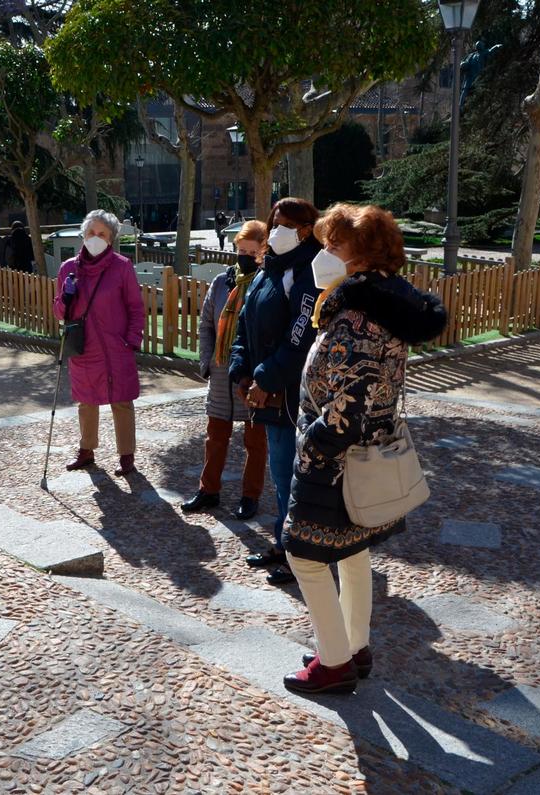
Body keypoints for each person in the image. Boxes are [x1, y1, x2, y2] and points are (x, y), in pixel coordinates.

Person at [281, 204, 446, 695]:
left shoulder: (356, 315)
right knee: (353, 550)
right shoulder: (385, 304)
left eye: (335, 245)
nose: (324, 253)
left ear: (362, 256)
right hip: (366, 451)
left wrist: (312, 451)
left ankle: (334, 664)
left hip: (335, 459)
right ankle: (354, 646)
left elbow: (346, 403)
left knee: (304, 556)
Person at [228, 197, 322, 587]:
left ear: (306, 230)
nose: (280, 230)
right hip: (263, 389)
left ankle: (300, 554)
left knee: (290, 477)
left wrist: (265, 379)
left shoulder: (308, 271)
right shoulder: (269, 269)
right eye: (276, 222)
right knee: (279, 472)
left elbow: (300, 335)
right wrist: (241, 370)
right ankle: (285, 543)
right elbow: (245, 323)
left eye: (290, 225)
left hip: (288, 393)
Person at [182, 220, 269, 520]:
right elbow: (206, 324)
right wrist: (206, 362)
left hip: (251, 374)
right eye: (240, 250)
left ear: (263, 252)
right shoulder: (222, 282)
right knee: (215, 436)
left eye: (251, 251)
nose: (244, 256)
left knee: (256, 441)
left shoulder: (266, 283)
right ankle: (209, 489)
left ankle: (250, 495)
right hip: (221, 374)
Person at [52, 209, 145, 476]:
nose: (95, 237)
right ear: (83, 234)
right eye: (91, 232)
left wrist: (131, 341)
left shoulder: (122, 267)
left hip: (117, 347)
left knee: (122, 401)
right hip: (84, 346)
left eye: (101, 234)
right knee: (86, 400)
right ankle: (86, 449)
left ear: (111, 238)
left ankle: (126, 455)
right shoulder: (68, 268)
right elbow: (59, 312)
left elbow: (135, 308)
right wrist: (65, 298)